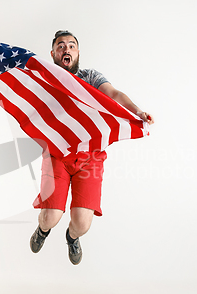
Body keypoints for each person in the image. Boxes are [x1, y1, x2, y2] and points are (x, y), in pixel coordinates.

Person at [29, 30, 154, 265]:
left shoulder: (91, 77)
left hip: (90, 156)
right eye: (60, 46)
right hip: (58, 154)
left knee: (82, 224)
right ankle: (42, 230)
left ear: (77, 52)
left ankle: (71, 238)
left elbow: (114, 94)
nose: (66, 49)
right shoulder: (46, 77)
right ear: (53, 53)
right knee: (50, 217)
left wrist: (136, 111)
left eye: (71, 45)